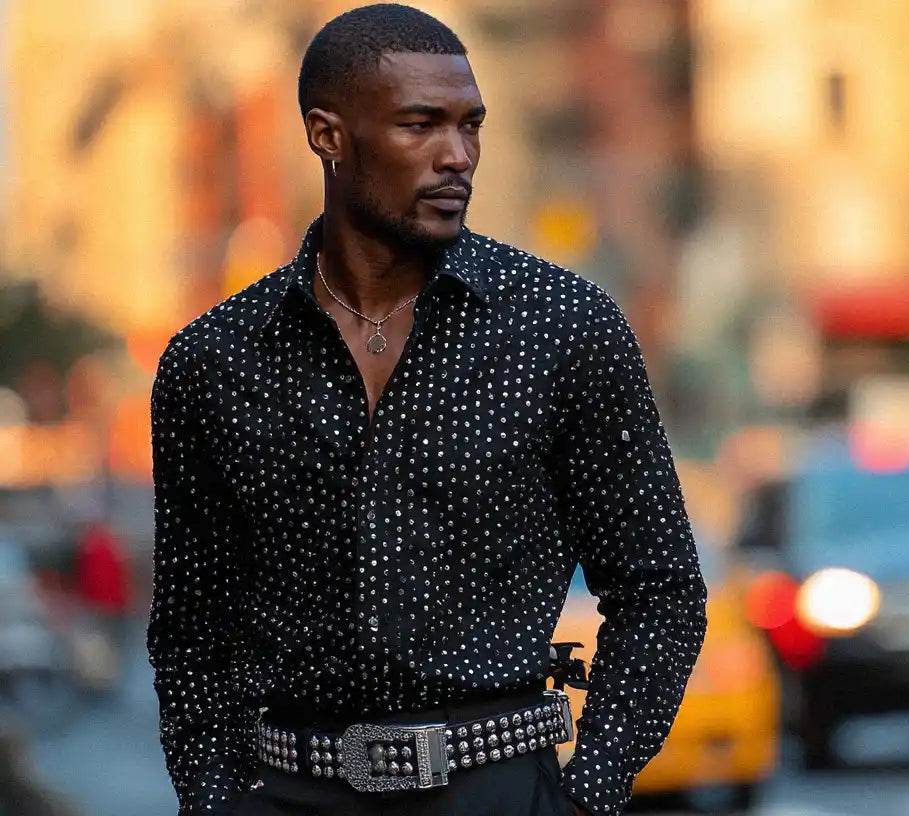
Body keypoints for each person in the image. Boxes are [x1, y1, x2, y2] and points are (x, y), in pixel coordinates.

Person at [146, 5, 707, 815]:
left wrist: (588, 791)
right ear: (327, 135)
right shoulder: (216, 361)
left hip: (502, 785)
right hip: (291, 789)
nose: (458, 156)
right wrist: (214, 801)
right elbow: (191, 632)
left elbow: (658, 587)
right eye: (420, 125)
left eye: (470, 125)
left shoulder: (562, 326)